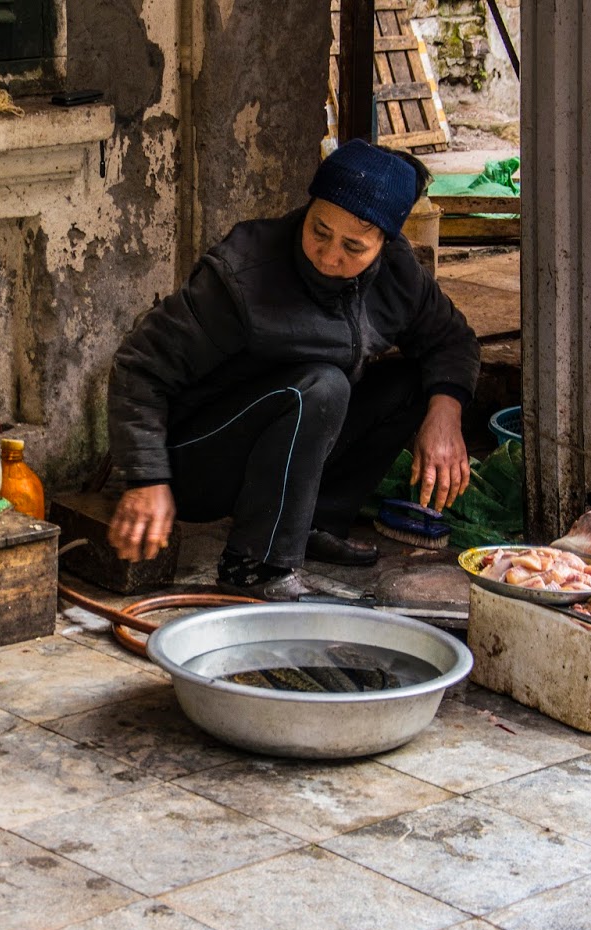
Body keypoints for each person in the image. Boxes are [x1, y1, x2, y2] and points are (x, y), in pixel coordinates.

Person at [104, 139, 481, 600]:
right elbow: (139, 367)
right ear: (308, 208)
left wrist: (447, 413)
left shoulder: (400, 275)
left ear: (385, 242)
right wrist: (147, 477)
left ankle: (313, 522)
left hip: (289, 437)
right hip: (197, 457)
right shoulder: (243, 274)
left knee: (414, 384)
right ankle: (256, 566)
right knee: (321, 387)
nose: (328, 256)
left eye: (353, 247)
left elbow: (451, 339)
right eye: (319, 230)